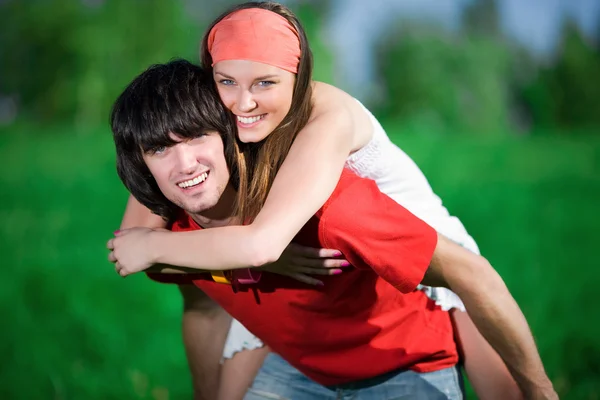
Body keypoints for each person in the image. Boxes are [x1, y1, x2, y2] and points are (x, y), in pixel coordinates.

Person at [110, 2, 550, 399]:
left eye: (265, 82)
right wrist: (190, 251)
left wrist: (161, 247)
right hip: (292, 283)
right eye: (227, 82)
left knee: (502, 383)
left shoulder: (325, 124)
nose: (244, 102)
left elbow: (255, 243)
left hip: (414, 233)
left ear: (298, 82)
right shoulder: (205, 145)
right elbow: (138, 246)